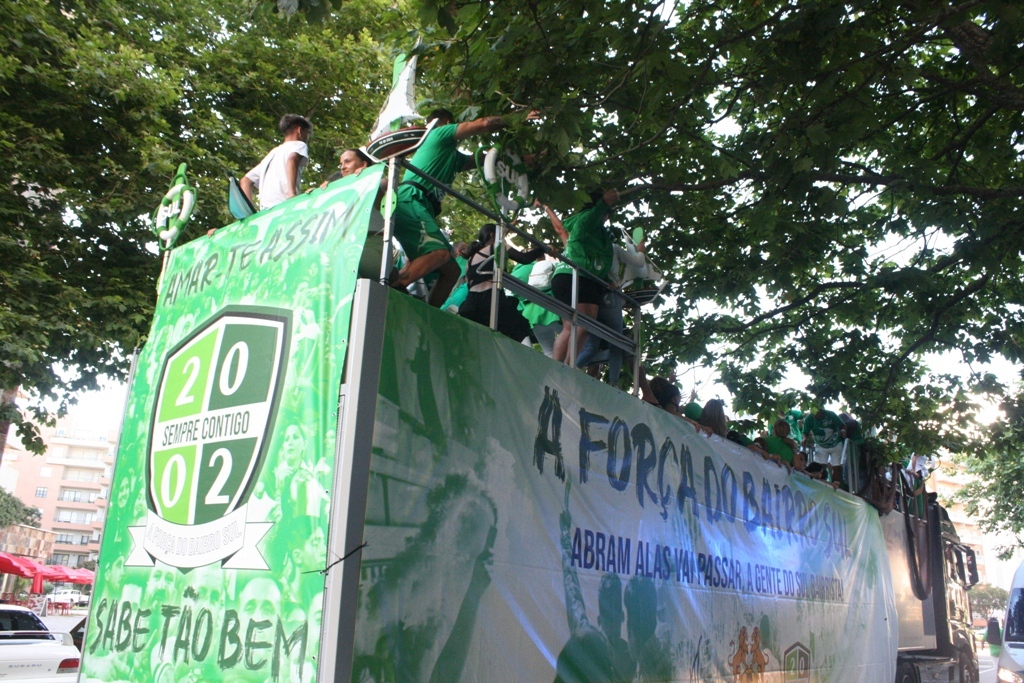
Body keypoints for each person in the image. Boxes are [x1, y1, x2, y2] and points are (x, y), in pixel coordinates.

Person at [393, 108, 537, 306]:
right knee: (440, 254)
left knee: (451, 270)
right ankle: (394, 289)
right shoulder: (438, 132)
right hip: (411, 200)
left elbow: (487, 161)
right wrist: (516, 117)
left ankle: (427, 313)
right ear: (446, 122)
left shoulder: (451, 157)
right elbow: (483, 124)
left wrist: (520, 160)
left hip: (422, 206)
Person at [550, 188, 621, 364]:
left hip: (571, 277)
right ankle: (566, 367)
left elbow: (600, 261)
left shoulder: (597, 232)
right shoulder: (585, 221)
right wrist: (604, 203)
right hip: (576, 276)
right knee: (584, 325)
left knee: (571, 327)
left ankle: (556, 366)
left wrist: (606, 280)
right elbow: (591, 217)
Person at [458, 223, 547, 341]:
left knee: (489, 337)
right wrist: (543, 248)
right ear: (492, 235)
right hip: (490, 297)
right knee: (519, 328)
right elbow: (524, 259)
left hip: (471, 303)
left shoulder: (470, 260)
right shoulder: (497, 246)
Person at [240, 113, 311, 210]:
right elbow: (292, 159)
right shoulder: (299, 145)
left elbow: (246, 181)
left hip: (267, 213)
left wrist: (250, 214)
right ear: (299, 130)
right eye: (307, 133)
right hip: (285, 206)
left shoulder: (271, 155)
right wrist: (292, 195)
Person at [802, 407, 848, 485]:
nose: (817, 416)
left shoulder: (831, 414)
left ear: (822, 410)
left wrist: (843, 431)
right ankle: (821, 485)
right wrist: (804, 439)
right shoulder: (809, 418)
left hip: (835, 444)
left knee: (837, 467)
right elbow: (805, 432)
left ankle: (835, 486)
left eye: (818, 414)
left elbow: (842, 425)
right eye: (814, 414)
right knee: (820, 467)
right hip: (820, 446)